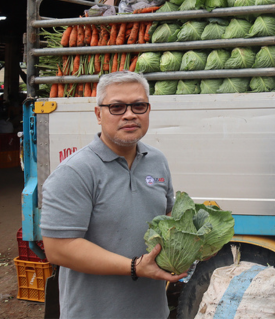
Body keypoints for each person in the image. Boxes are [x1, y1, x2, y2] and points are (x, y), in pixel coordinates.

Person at [40, 71, 186, 318]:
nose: (130, 114)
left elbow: (168, 218)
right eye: (117, 107)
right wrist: (135, 267)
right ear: (99, 114)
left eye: (139, 105)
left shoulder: (157, 161)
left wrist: (194, 245)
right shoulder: (75, 171)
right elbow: (58, 248)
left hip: (152, 311)